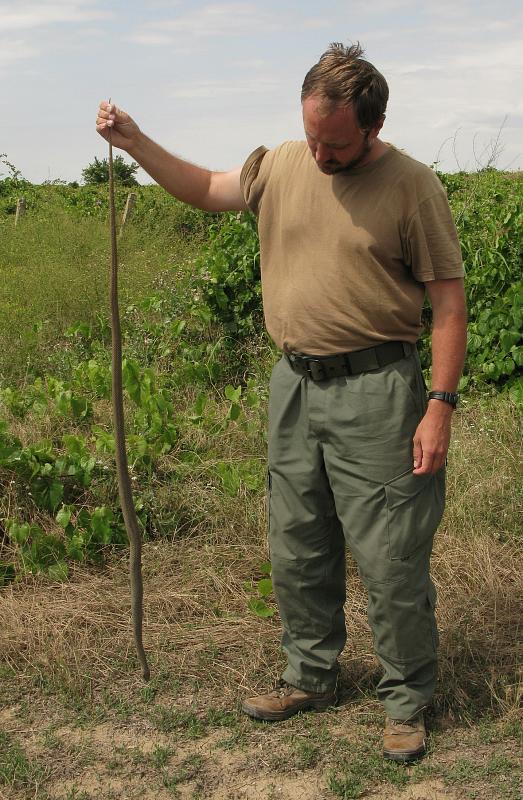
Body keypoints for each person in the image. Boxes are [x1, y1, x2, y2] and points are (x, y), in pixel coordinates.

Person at [96, 42, 467, 763]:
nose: (319, 154)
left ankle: (406, 701)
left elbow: (447, 304)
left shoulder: (410, 185)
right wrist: (135, 143)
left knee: (390, 558)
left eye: (335, 143)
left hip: (377, 390)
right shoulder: (281, 163)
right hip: (292, 386)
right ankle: (309, 675)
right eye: (311, 136)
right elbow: (204, 187)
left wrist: (438, 404)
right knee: (297, 544)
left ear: (374, 123)